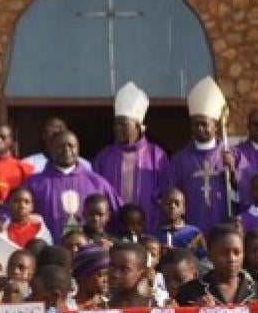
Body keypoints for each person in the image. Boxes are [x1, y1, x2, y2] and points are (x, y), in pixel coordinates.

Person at [169, 77, 244, 233]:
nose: (199, 129)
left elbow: (247, 193)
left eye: (204, 124)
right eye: (195, 124)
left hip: (224, 225)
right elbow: (172, 196)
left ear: (216, 126)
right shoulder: (180, 159)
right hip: (191, 229)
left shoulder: (231, 154)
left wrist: (233, 172)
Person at [24, 131, 121, 241]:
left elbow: (118, 215)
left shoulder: (98, 183)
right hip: (49, 252)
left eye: (71, 146)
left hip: (91, 252)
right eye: (61, 146)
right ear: (50, 149)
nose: (66, 150)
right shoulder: (34, 184)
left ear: (78, 149)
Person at [93, 82, 170, 213]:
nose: (118, 128)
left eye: (123, 124)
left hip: (147, 226)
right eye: (116, 124)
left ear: (138, 126)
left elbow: (165, 190)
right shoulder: (104, 157)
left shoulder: (157, 156)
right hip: (112, 227)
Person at [176, 225, 258, 306]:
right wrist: (195, 311)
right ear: (210, 255)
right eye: (224, 253)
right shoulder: (189, 292)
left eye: (237, 253)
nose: (231, 259)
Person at [0, 187, 52, 268]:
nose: (22, 205)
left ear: (32, 206)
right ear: (8, 204)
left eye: (26, 202)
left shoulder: (42, 231)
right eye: (16, 201)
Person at [21, 117, 91, 175]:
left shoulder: (84, 164)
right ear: (43, 135)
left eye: (61, 127)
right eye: (53, 127)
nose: (58, 130)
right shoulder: (28, 163)